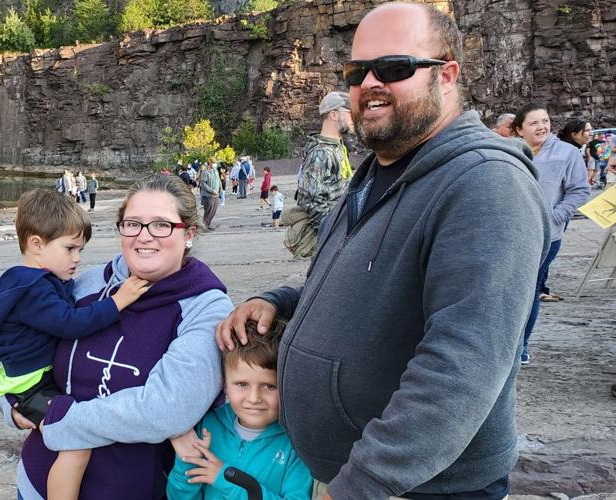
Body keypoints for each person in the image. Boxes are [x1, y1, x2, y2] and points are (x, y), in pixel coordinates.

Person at [216, 4, 549, 499]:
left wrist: (359, 485)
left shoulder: (486, 185)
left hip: (412, 487)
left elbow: (460, 369)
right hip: (348, 473)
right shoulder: (375, 172)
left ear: (448, 75)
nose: (370, 82)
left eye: (394, 68)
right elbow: (360, 287)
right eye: (357, 71)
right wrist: (280, 302)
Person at [0, 174, 233, 499]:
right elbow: (23, 349)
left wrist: (59, 419)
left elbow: (167, 409)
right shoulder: (88, 285)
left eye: (161, 225)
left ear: (189, 233)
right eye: (133, 224)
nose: (144, 237)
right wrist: (11, 403)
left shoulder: (206, 307)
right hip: (37, 483)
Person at [0, 188, 151, 499]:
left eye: (80, 250)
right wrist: (118, 301)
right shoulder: (34, 290)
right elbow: (71, 323)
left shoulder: (22, 281)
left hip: (24, 382)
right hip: (32, 387)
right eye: (70, 249)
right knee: (75, 442)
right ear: (36, 244)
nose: (77, 259)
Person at [166, 320, 311, 500]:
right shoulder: (208, 426)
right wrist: (186, 463)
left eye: (269, 386)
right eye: (242, 384)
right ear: (225, 386)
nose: (254, 398)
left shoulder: (296, 444)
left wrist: (227, 478)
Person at [513, 104, 590, 363]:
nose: (541, 127)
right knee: (507, 289)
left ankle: (520, 347)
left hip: (547, 235)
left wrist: (554, 217)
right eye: (533, 123)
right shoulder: (510, 151)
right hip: (510, 233)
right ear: (519, 129)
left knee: (530, 289)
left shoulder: (566, 153)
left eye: (545, 121)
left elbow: (579, 191)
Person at [285, 91, 355, 258]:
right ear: (333, 115)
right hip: (332, 237)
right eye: (350, 113)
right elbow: (310, 199)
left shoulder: (338, 147)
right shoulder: (321, 153)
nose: (354, 118)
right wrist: (331, 233)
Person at [201, 161, 221, 229]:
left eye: (215, 162)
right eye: (213, 162)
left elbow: (219, 181)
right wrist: (211, 191)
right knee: (208, 211)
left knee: (213, 211)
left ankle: (208, 225)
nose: (215, 164)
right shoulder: (205, 172)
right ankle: (204, 226)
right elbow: (203, 184)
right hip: (208, 195)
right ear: (209, 164)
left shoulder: (215, 171)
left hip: (216, 195)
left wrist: (220, 190)